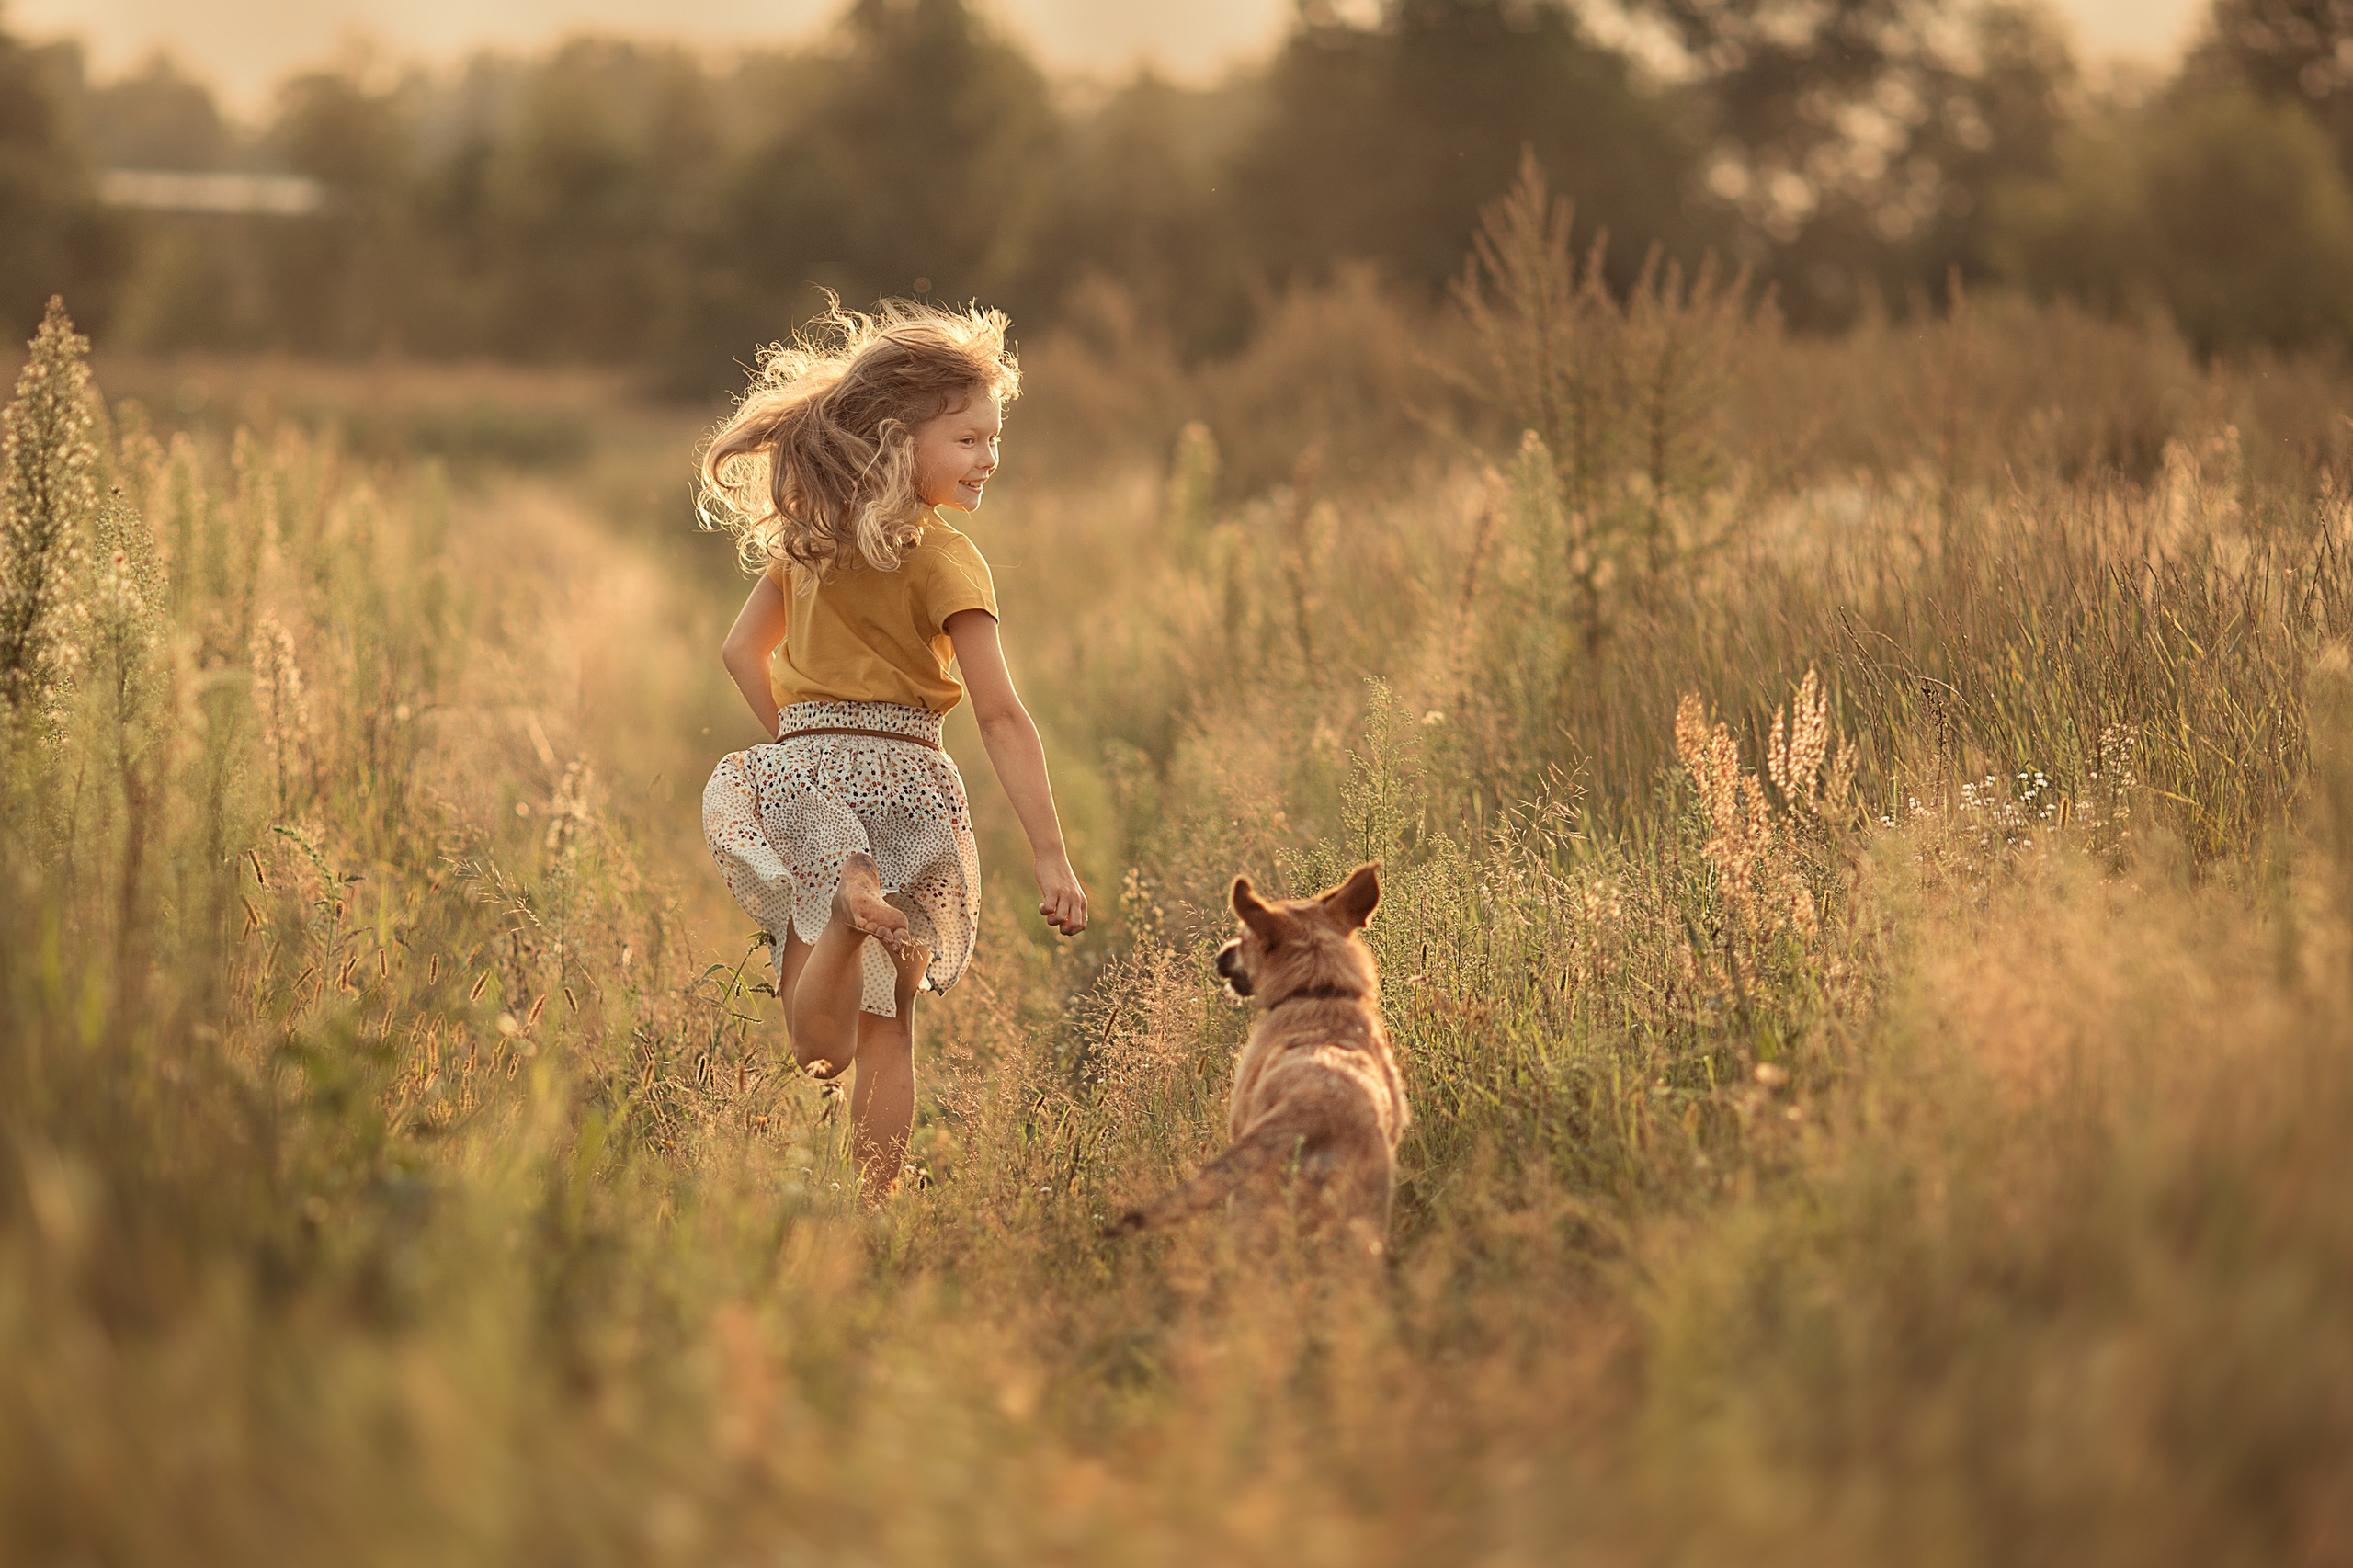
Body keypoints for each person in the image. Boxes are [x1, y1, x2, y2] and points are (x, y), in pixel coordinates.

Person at [699, 298, 1086, 1200]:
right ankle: (875, 1206)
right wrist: (1049, 854)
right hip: (911, 786)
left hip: (810, 767)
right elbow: (999, 715)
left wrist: (804, 759)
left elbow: (736, 651)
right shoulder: (947, 558)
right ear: (897, 435)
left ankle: (840, 908)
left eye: (993, 439)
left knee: (815, 1043)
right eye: (967, 439)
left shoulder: (806, 541)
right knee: (888, 1028)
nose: (989, 457)